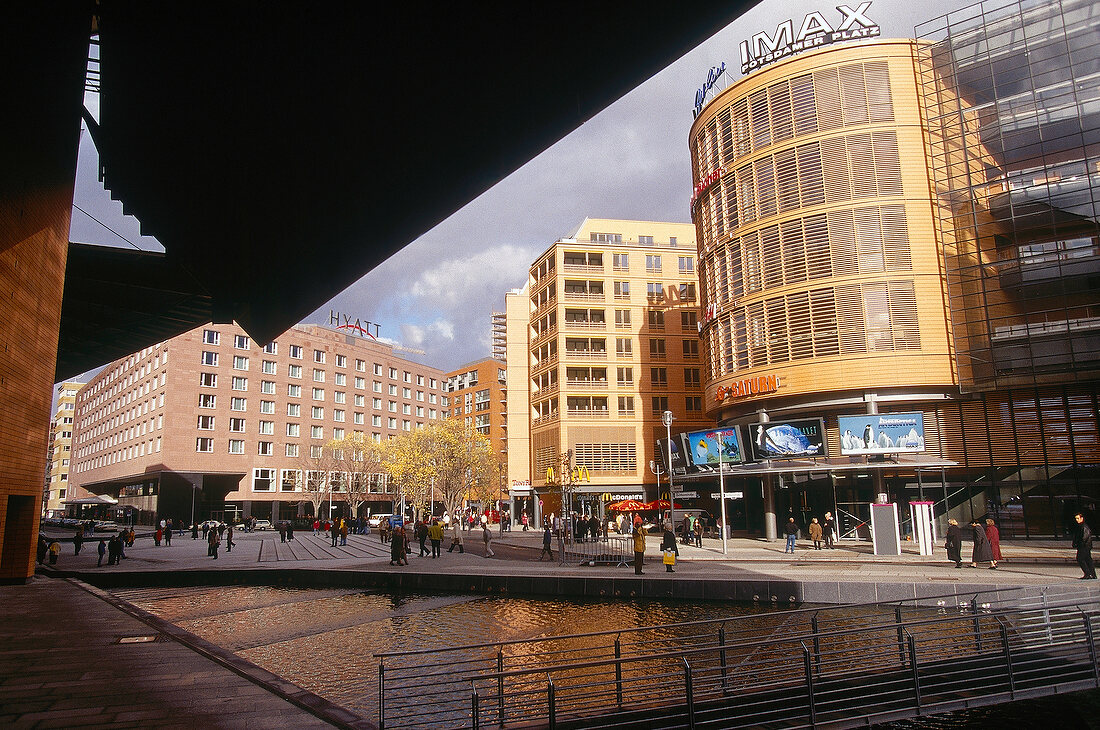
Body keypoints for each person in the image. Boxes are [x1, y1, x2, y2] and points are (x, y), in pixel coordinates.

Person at [1074, 512, 1096, 580]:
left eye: (1078, 518)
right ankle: (1092, 574)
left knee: (1080, 559)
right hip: (1086, 546)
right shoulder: (1081, 526)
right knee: (1088, 559)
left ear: (1082, 518)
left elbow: (1084, 537)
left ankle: (1087, 574)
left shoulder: (1083, 526)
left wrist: (1079, 544)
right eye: (1076, 518)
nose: (1077, 520)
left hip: (1084, 546)